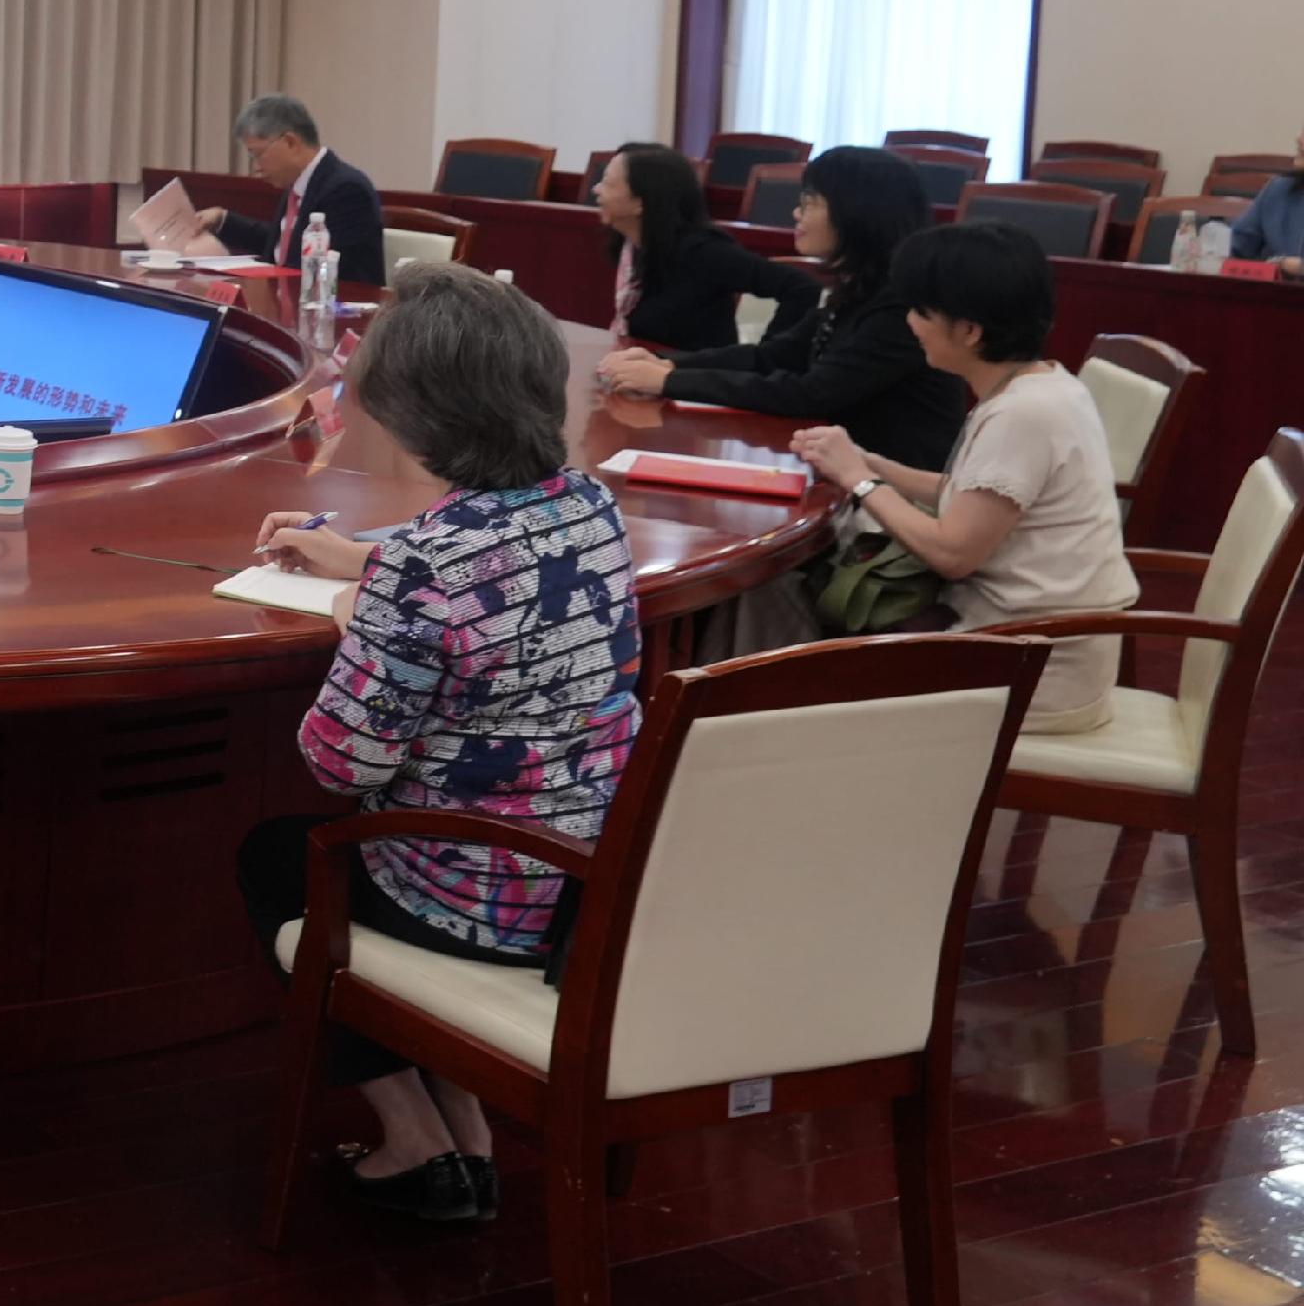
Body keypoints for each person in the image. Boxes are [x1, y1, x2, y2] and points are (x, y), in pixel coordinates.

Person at [236, 266, 640, 1226]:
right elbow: (503, 571)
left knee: (279, 859)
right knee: (377, 838)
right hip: (595, 880)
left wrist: (360, 608)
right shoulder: (590, 505)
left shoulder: (423, 564)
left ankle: (414, 1134)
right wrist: (362, 567)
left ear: (414, 412)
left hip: (481, 897)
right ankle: (461, 1128)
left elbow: (340, 761)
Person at [789, 220, 1139, 732]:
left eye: (920, 311)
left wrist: (861, 481)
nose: (910, 323)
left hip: (1033, 664)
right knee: (809, 616)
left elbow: (953, 553)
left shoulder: (1024, 415)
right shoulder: (1041, 384)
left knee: (796, 655)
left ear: (971, 331)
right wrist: (869, 463)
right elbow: (971, 496)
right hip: (1024, 640)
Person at [594, 146, 968, 469]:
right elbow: (774, 356)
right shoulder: (859, 287)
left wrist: (668, 381)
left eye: (809, 203)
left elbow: (810, 393)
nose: (795, 214)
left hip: (891, 493)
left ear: (856, 214)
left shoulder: (904, 306)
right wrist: (668, 364)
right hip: (842, 470)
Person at [596, 141, 819, 350]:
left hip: (699, 384)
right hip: (648, 376)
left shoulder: (704, 252)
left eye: (607, 183)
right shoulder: (632, 248)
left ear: (640, 202)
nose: (596, 190)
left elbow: (801, 286)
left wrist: (770, 355)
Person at [212, 93, 386, 286]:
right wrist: (223, 220)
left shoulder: (346, 190)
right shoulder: (300, 183)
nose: (256, 167)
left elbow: (318, 268)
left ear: (290, 142)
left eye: (258, 154)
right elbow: (282, 247)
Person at [1225, 122, 1304, 278]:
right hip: (1273, 297)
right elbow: (1236, 247)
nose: (1299, 139)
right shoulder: (1279, 190)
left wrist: (1296, 267)